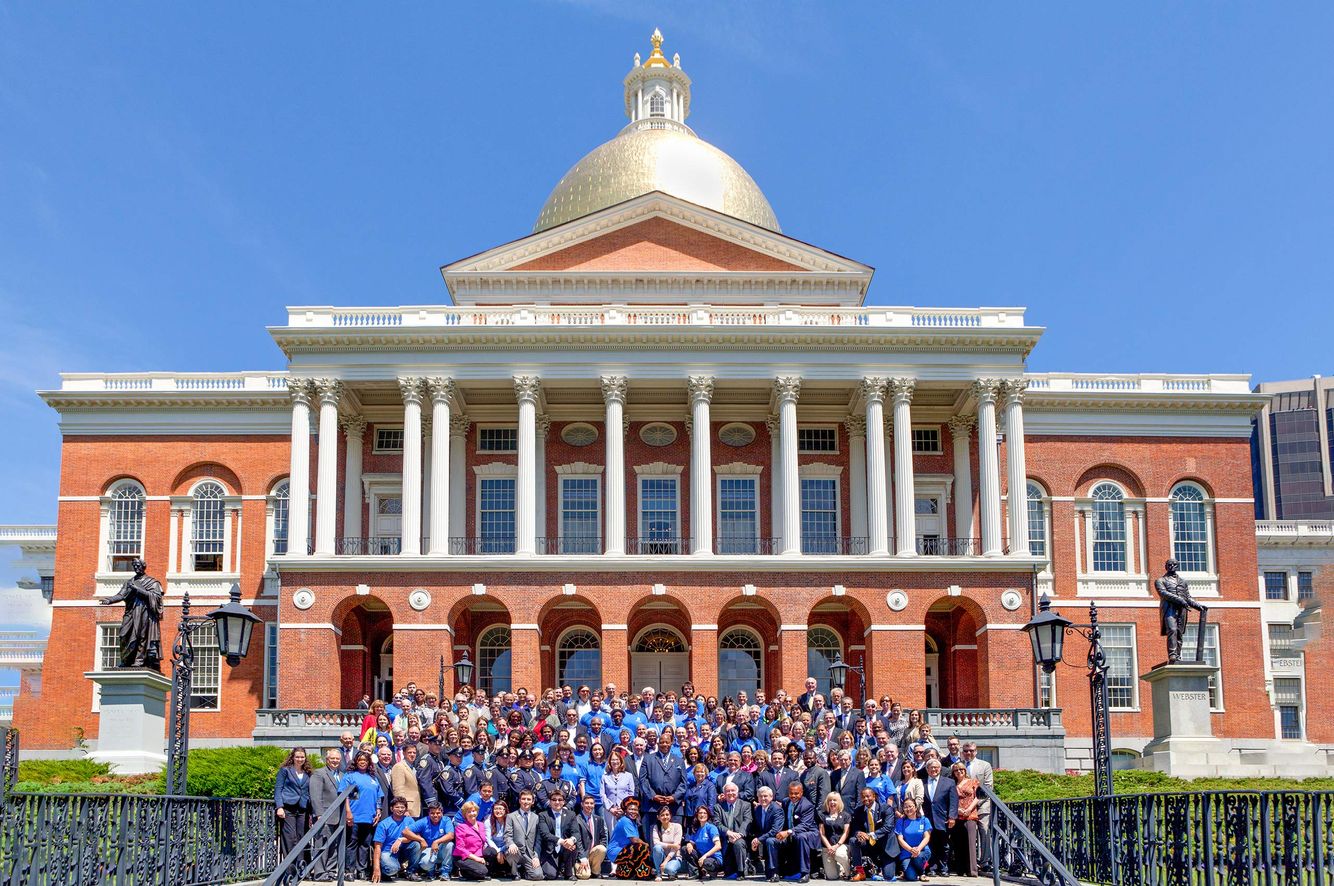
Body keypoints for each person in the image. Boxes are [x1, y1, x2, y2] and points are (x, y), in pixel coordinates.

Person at [309, 748, 349, 880]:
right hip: (324, 816)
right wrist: (319, 814)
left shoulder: (342, 775)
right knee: (322, 845)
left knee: (334, 845)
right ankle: (319, 873)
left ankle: (331, 871)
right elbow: (315, 796)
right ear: (327, 759)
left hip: (339, 817)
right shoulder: (319, 774)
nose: (335, 761)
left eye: (337, 759)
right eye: (332, 758)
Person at [346, 750, 385, 880]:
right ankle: (349, 871)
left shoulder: (373, 778)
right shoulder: (350, 776)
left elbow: (379, 797)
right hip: (354, 816)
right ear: (356, 762)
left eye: (365, 760)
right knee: (352, 843)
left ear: (369, 763)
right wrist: (348, 812)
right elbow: (344, 796)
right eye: (360, 760)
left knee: (364, 845)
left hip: (370, 817)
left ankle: (361, 870)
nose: (363, 762)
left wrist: (378, 811)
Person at [372, 795, 426, 882]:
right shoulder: (384, 824)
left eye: (402, 807)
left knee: (416, 844)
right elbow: (377, 847)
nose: (400, 809)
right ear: (391, 809)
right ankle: (385, 871)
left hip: (403, 850)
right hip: (388, 852)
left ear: (405, 809)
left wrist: (400, 840)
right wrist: (376, 868)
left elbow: (416, 836)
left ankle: (411, 872)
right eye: (397, 807)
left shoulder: (409, 820)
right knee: (392, 869)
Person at [775, 781, 818, 882]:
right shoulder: (786, 802)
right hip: (792, 831)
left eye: (796, 793)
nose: (793, 796)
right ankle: (778, 871)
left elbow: (805, 825)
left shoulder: (807, 805)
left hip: (809, 832)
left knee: (801, 837)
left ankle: (805, 873)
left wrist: (788, 832)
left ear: (801, 792)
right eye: (791, 793)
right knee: (775, 839)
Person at [920, 759, 957, 876]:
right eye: (931, 767)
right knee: (930, 844)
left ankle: (944, 868)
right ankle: (932, 868)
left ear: (940, 769)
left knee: (944, 845)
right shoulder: (922, 782)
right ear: (927, 769)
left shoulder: (949, 782)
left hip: (943, 818)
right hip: (927, 819)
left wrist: (952, 817)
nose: (934, 769)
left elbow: (953, 801)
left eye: (936, 767)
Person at [274, 747, 312, 858]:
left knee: (302, 837)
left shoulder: (308, 772)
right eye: (297, 757)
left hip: (303, 808)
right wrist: (279, 806)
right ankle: (289, 870)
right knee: (290, 838)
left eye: (302, 757)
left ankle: (301, 868)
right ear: (293, 757)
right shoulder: (285, 770)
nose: (300, 759)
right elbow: (278, 788)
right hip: (288, 808)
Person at [961, 742, 994, 870]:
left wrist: (974, 803)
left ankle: (985, 862)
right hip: (963, 808)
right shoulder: (958, 766)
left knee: (984, 831)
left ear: (976, 751)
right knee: (967, 834)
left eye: (971, 750)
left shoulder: (985, 765)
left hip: (982, 805)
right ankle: (970, 863)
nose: (968, 753)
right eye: (966, 751)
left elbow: (988, 787)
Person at [848, 787, 891, 882]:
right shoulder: (858, 811)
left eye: (868, 796)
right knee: (853, 840)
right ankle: (860, 872)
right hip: (867, 844)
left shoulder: (885, 808)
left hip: (883, 845)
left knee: (889, 875)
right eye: (863, 797)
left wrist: (869, 835)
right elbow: (855, 828)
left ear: (874, 796)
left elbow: (888, 827)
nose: (866, 799)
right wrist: (858, 833)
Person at [711, 781, 752, 880]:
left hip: (740, 837)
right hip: (725, 837)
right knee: (728, 873)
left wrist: (739, 835)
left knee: (739, 844)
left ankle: (741, 872)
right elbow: (717, 823)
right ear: (724, 794)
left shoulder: (745, 805)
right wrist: (728, 833)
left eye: (733, 791)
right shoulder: (718, 807)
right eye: (727, 791)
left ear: (737, 793)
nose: (730, 793)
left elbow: (747, 821)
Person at [539, 787, 582, 879]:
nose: (557, 802)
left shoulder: (571, 814)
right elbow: (545, 834)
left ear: (564, 802)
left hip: (566, 849)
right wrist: (562, 841)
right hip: (550, 850)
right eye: (554, 799)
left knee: (572, 845)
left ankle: (568, 873)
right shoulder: (543, 815)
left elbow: (576, 833)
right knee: (551, 875)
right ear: (550, 801)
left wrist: (571, 840)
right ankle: (557, 868)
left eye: (560, 800)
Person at [408, 801, 455, 882]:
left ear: (442, 812)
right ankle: (430, 871)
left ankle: (445, 872)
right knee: (425, 864)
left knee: (450, 845)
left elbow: (451, 835)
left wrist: (436, 842)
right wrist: (420, 839)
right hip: (428, 849)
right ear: (428, 813)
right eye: (432, 813)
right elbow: (405, 831)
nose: (435, 815)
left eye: (438, 813)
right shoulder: (424, 821)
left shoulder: (446, 820)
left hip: (440, 849)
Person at [610, 798, 654, 880]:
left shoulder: (633, 822)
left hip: (624, 849)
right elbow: (634, 840)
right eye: (630, 809)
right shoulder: (626, 821)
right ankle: (642, 873)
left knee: (639, 849)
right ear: (625, 811)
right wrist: (647, 845)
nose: (633, 811)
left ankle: (627, 872)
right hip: (616, 851)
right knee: (642, 848)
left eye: (635, 810)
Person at [504, 789, 544, 880]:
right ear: (519, 800)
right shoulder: (511, 816)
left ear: (533, 802)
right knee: (512, 852)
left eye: (529, 799)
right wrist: (511, 844)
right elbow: (507, 835)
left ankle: (524, 872)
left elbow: (538, 840)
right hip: (516, 851)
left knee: (538, 876)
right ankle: (515, 872)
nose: (526, 801)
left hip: (529, 854)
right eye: (523, 799)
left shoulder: (537, 818)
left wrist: (536, 856)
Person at [950, 762, 980, 877]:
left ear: (965, 770)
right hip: (957, 816)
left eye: (961, 769)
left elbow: (978, 797)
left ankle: (972, 871)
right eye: (956, 770)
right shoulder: (952, 784)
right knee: (958, 844)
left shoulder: (973, 782)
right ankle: (960, 869)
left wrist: (969, 809)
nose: (959, 771)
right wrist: (957, 810)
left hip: (970, 815)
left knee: (970, 843)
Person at [894, 798, 931, 882]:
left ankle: (922, 873)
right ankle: (912, 872)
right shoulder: (901, 821)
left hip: (922, 851)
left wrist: (917, 849)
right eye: (905, 807)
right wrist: (911, 850)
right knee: (911, 877)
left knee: (918, 857)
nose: (908, 809)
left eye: (910, 806)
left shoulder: (924, 820)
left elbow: (927, 837)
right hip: (907, 853)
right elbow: (900, 839)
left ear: (915, 807)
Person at [453, 800, 491, 881]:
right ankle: (465, 873)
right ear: (465, 814)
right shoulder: (461, 827)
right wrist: (477, 859)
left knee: (492, 852)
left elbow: (483, 842)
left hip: (478, 854)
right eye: (469, 812)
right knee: (483, 871)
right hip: (463, 857)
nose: (472, 813)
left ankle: (474, 872)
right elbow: (460, 848)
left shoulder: (481, 824)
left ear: (477, 812)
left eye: (473, 811)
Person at [682, 806, 723, 880]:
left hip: (713, 858)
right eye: (700, 813)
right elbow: (691, 841)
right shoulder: (696, 829)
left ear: (708, 815)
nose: (702, 815)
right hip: (701, 857)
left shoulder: (711, 827)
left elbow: (718, 846)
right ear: (697, 815)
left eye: (705, 813)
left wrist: (704, 857)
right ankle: (697, 873)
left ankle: (713, 872)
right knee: (685, 849)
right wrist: (689, 844)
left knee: (707, 863)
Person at [817, 791, 851, 881]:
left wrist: (836, 846)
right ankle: (839, 868)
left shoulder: (845, 815)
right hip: (827, 848)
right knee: (832, 877)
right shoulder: (822, 815)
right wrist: (829, 847)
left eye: (835, 800)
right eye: (830, 800)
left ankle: (848, 872)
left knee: (840, 854)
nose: (832, 802)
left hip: (840, 845)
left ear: (839, 802)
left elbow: (846, 833)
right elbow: (822, 833)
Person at [576, 793, 611, 878]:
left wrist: (600, 849)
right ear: (582, 804)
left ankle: (595, 871)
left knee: (602, 848)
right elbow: (577, 841)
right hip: (581, 855)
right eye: (587, 803)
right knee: (584, 876)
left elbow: (603, 836)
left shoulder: (599, 819)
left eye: (591, 803)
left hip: (593, 853)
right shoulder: (576, 819)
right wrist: (582, 857)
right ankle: (585, 868)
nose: (589, 805)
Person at [603, 749, 638, 820]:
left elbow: (631, 794)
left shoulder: (628, 776)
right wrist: (610, 808)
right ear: (609, 762)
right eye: (613, 760)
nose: (615, 762)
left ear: (621, 761)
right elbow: (602, 794)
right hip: (610, 811)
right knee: (612, 831)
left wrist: (624, 808)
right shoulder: (605, 777)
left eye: (617, 759)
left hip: (624, 810)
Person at [651, 805, 684, 880]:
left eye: (667, 814)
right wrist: (671, 845)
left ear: (670, 815)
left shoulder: (677, 827)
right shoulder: (656, 827)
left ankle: (670, 871)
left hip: (674, 857)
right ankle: (659, 874)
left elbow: (676, 848)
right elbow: (656, 843)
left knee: (670, 870)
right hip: (662, 856)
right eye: (662, 815)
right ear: (658, 817)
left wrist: (665, 862)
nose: (665, 817)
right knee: (657, 848)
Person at [392, 743, 424, 818]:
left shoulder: (414, 768)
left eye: (414, 752)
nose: (412, 754)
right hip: (407, 809)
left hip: (416, 808)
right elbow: (398, 789)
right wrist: (403, 808)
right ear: (404, 753)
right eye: (409, 752)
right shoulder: (399, 767)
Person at [484, 800, 512, 877]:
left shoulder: (510, 820)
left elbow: (510, 838)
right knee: (489, 852)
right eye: (496, 809)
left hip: (506, 846)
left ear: (505, 810)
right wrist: (498, 851)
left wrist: (502, 850)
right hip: (494, 847)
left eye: (500, 809)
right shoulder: (488, 821)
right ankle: (492, 870)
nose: (498, 811)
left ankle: (508, 869)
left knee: (512, 850)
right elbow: (489, 839)